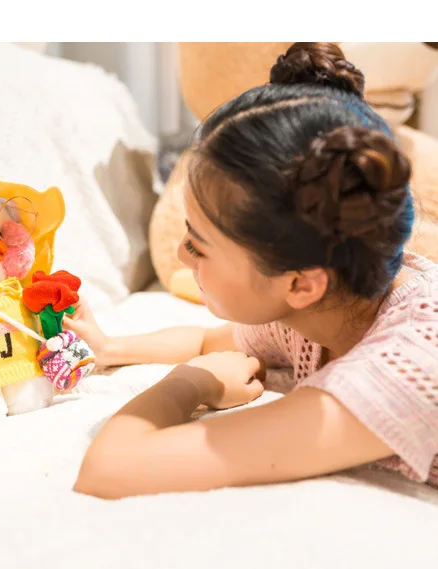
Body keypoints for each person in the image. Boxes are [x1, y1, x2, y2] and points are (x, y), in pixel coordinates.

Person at [65, 42, 438, 499]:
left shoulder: (405, 368)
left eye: (198, 245)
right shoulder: (326, 306)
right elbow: (207, 342)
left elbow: (110, 469)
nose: (180, 255)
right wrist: (110, 348)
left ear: (301, 283)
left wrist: (187, 384)